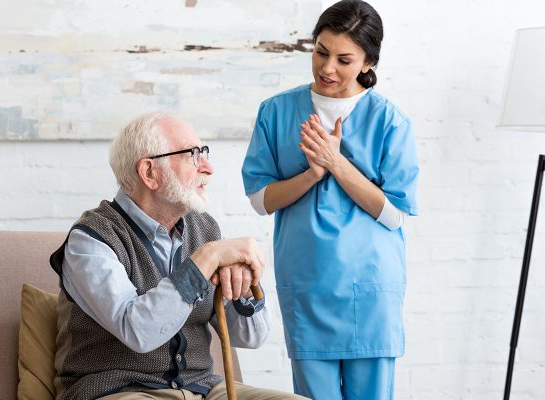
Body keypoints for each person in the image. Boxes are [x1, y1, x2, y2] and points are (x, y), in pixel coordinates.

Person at [50, 113, 308, 400]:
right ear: (149, 173)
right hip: (119, 390)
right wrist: (205, 260)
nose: (208, 168)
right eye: (193, 155)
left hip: (203, 388)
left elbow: (250, 337)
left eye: (204, 153)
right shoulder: (91, 239)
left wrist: (245, 289)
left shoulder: (204, 229)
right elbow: (138, 331)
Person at [241, 0, 419, 399]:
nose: (327, 68)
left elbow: (394, 214)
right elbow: (259, 199)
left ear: (368, 63)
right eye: (321, 52)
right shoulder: (276, 111)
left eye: (343, 59)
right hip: (307, 282)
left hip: (370, 284)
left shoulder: (391, 121)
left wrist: (336, 164)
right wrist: (312, 174)